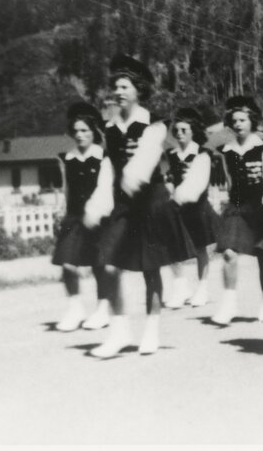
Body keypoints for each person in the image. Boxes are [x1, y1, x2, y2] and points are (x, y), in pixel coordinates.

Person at [87, 54, 196, 358]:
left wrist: (131, 178)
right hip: (123, 205)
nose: (118, 92)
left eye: (125, 87)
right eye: (116, 87)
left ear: (139, 90)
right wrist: (98, 202)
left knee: (150, 268)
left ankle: (151, 330)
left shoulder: (154, 124)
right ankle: (120, 331)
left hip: (150, 202)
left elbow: (146, 161)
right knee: (108, 265)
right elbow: (108, 166)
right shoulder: (109, 128)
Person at [211, 96, 263, 325]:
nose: (238, 124)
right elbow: (229, 179)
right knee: (229, 253)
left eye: (243, 120)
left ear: (252, 122)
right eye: (234, 120)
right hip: (236, 207)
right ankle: (229, 304)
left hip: (260, 206)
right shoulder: (226, 150)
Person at [52, 102, 112, 332]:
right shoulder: (67, 158)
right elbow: (66, 188)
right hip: (74, 217)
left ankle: (103, 309)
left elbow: (106, 188)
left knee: (99, 265)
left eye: (84, 130)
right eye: (76, 131)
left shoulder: (103, 157)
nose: (80, 135)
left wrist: (96, 212)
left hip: (99, 218)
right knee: (68, 263)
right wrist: (62, 210)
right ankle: (75, 308)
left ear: (93, 132)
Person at [164, 108, 216, 309]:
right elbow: (169, 178)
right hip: (177, 208)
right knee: (173, 247)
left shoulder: (202, 154)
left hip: (197, 207)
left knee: (200, 248)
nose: (179, 134)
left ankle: (202, 288)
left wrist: (183, 195)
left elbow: (201, 183)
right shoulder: (171, 154)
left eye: (184, 130)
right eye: (176, 130)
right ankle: (181, 287)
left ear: (193, 131)